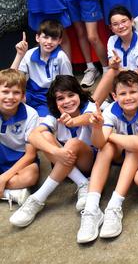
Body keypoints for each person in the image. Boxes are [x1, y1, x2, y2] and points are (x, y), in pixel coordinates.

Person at [76, 71, 138, 243]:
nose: (128, 97)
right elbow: (99, 144)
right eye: (122, 93)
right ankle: (91, 208)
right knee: (107, 148)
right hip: (129, 151)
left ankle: (115, 206)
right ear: (114, 96)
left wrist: (108, 135)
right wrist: (97, 128)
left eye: (133, 92)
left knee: (133, 146)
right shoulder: (111, 109)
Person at [9, 76, 96, 227]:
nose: (67, 101)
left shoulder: (89, 106)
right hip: (65, 162)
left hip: (89, 162)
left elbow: (88, 118)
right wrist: (55, 152)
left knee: (72, 143)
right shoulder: (54, 115)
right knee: (44, 135)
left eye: (71, 95)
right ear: (55, 102)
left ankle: (38, 198)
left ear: (79, 94)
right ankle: (82, 183)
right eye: (60, 98)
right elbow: (33, 135)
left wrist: (72, 121)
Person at [11, 21, 73, 117]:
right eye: (45, 37)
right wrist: (19, 55)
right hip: (30, 94)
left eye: (54, 38)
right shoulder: (29, 54)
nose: (49, 41)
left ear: (60, 41)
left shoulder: (61, 57)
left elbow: (69, 83)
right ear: (37, 38)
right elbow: (11, 79)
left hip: (49, 98)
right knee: (8, 102)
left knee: (40, 120)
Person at [0, 69, 39, 210]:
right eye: (5, 92)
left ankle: (4, 188)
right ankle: (8, 192)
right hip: (1, 154)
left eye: (16, 92)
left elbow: (30, 155)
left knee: (31, 176)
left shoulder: (31, 115)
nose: (10, 97)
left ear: (23, 95)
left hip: (21, 161)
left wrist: (4, 178)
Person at [104, 6, 138, 91]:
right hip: (120, 82)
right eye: (115, 24)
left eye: (124, 21)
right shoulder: (112, 40)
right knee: (110, 72)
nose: (120, 26)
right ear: (111, 28)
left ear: (132, 21)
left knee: (112, 72)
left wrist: (119, 68)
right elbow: (112, 65)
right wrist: (113, 64)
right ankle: (94, 103)